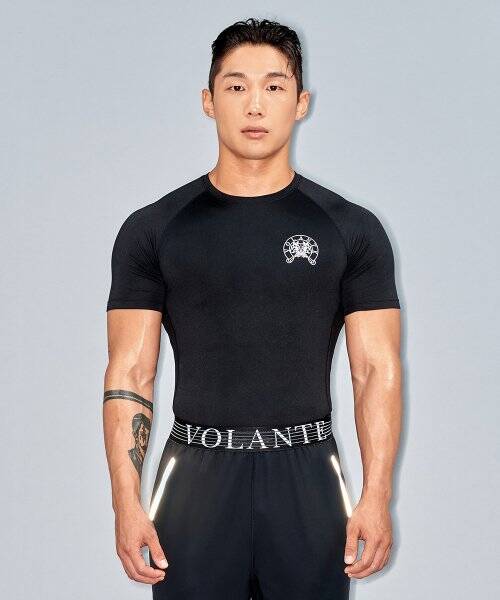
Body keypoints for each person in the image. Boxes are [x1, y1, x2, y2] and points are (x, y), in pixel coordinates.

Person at [103, 17, 402, 600]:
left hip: (308, 474)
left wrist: (377, 495)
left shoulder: (350, 229)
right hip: (195, 475)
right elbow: (129, 373)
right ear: (208, 100)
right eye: (236, 86)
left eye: (274, 86)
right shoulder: (154, 229)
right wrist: (125, 503)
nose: (255, 104)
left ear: (301, 102)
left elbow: (376, 370)